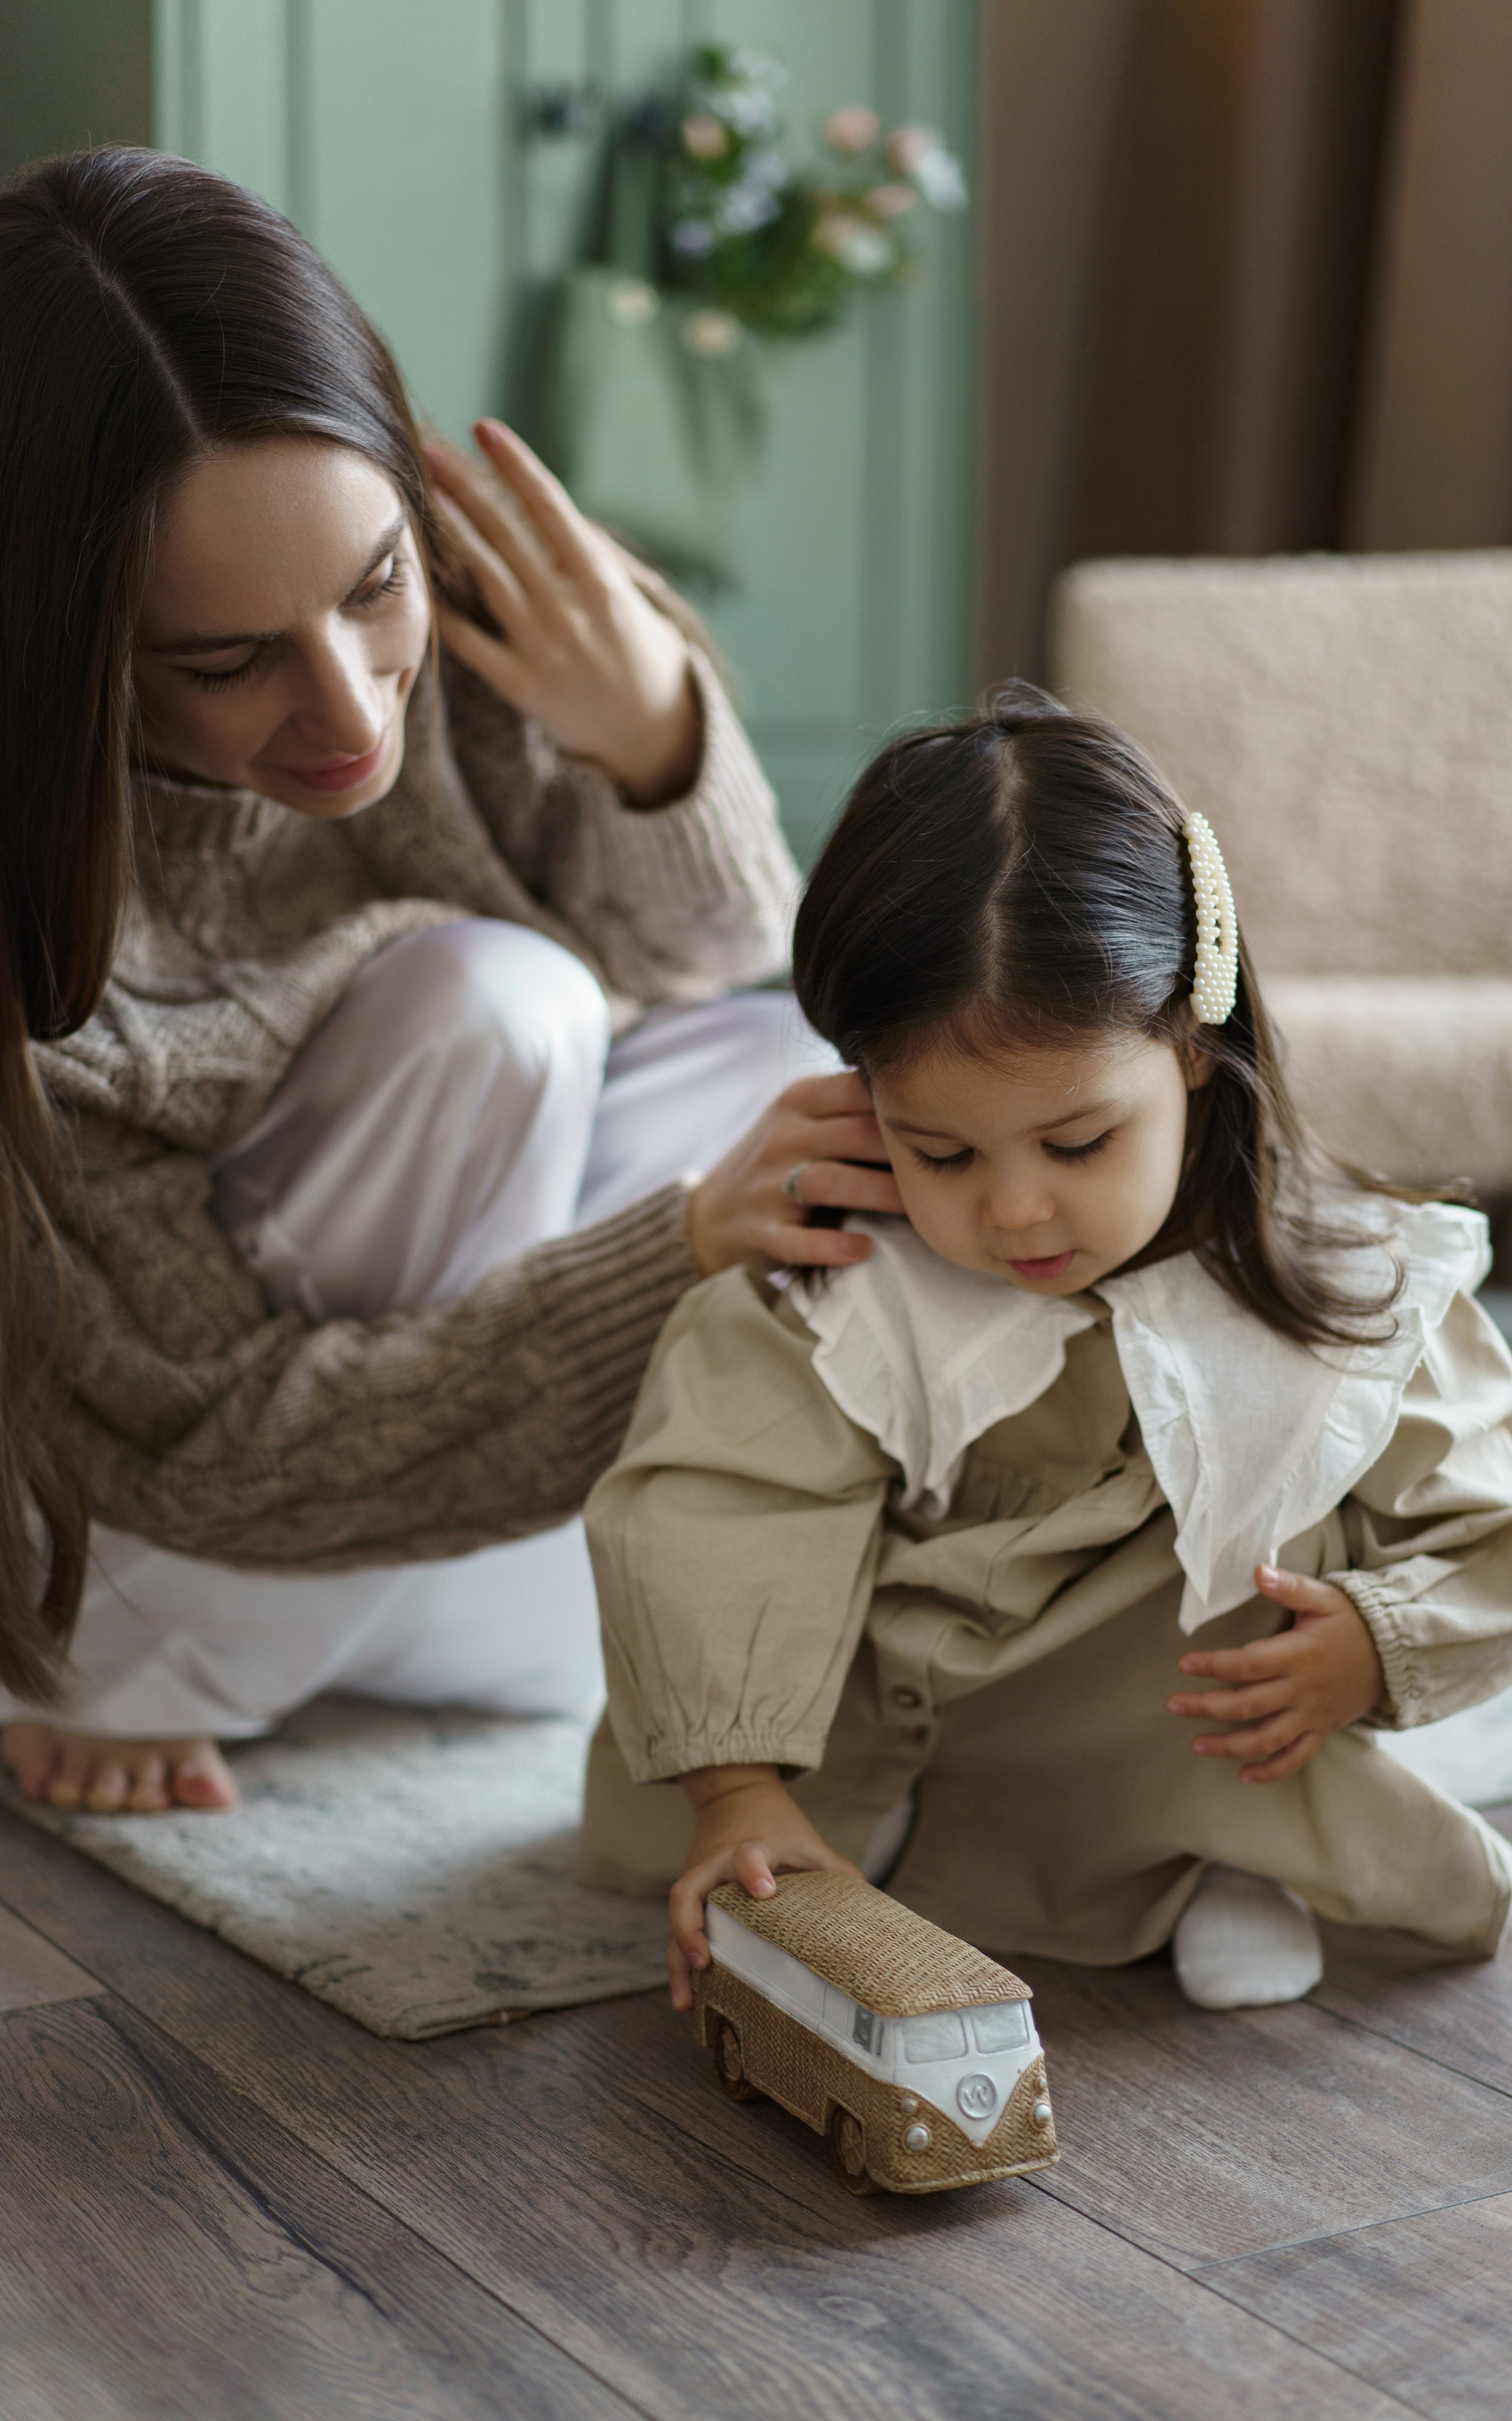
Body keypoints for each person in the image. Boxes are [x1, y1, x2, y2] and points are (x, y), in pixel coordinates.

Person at [0, 146, 901, 1816]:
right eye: (222, 661)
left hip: (475, 1507)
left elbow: (719, 977)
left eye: (373, 588)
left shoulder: (503, 621)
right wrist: (676, 1257)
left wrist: (653, 742)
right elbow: (210, 1439)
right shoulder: (48, 901)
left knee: (819, 1070)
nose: (349, 715)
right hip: (192, 1536)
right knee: (501, 1013)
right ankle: (155, 1666)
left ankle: (514, 1613)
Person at [580, 693, 1512, 2012]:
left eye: (1075, 1144)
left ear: (1189, 1047)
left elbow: (1500, 1545)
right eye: (937, 1151)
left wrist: (1372, 1641)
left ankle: (1207, 1857)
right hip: (890, 1701)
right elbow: (715, 1507)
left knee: (1265, 1559)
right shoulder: (848, 1283)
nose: (1010, 1211)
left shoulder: (1350, 1283)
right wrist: (733, 1788)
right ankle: (837, 1811)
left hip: (1172, 1722)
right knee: (731, 1414)